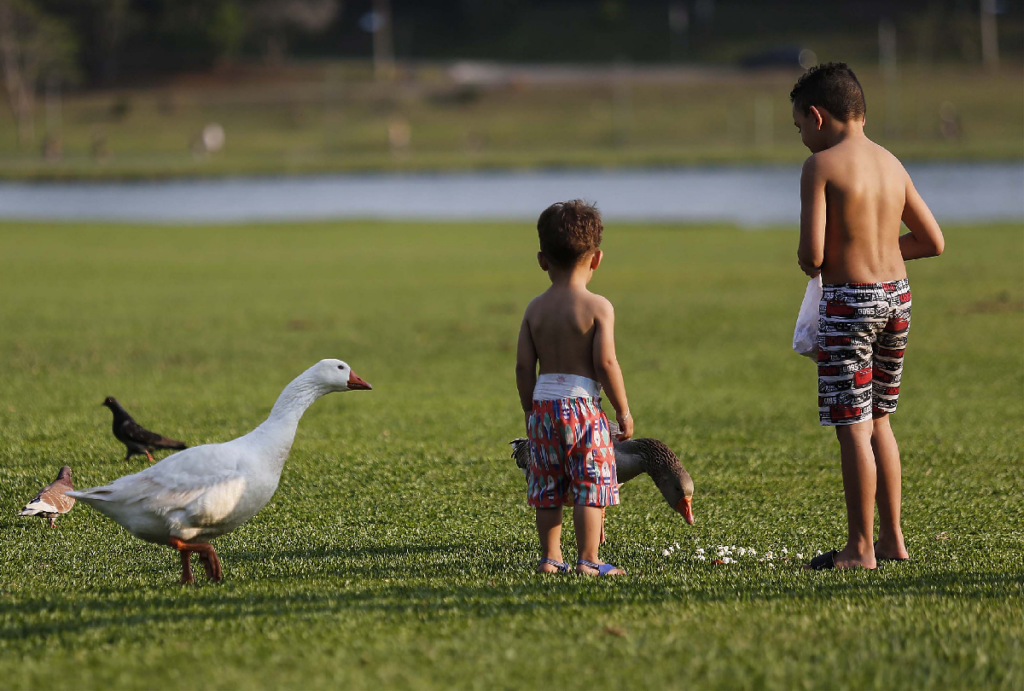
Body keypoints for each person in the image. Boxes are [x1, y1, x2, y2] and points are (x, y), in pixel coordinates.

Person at [790, 63, 945, 570]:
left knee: (852, 426)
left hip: (850, 304)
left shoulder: (822, 167)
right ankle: (892, 540)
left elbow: (812, 255)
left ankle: (859, 548)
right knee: (879, 418)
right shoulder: (891, 162)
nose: (802, 140)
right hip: (897, 297)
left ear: (817, 116)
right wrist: (878, 244)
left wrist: (835, 254)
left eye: (799, 128)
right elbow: (931, 241)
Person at [515, 200, 633, 576]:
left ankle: (551, 559)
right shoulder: (598, 307)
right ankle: (589, 559)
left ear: (542, 260)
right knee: (590, 483)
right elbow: (606, 363)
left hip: (543, 407)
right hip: (583, 409)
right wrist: (623, 410)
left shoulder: (534, 309)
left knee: (548, 485)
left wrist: (530, 408)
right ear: (596, 259)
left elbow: (522, 365)